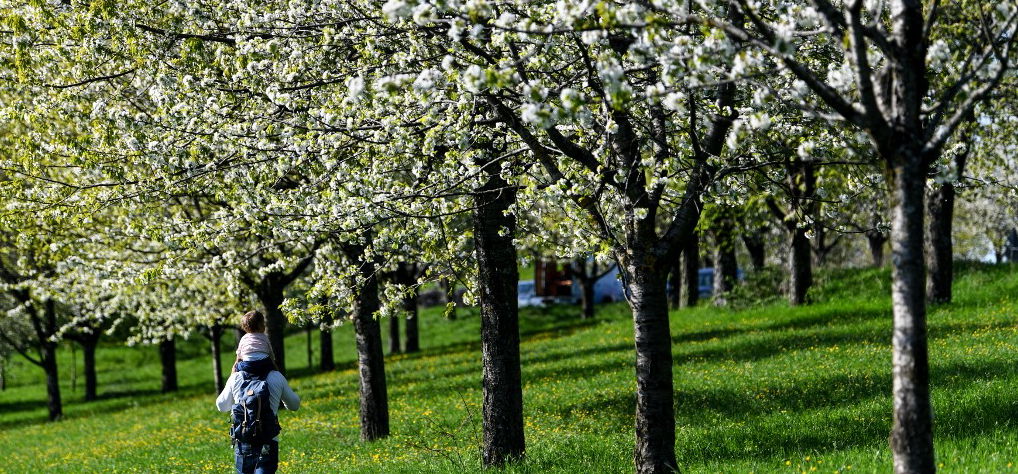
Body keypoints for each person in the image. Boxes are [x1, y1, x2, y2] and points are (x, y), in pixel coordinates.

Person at [217, 310, 300, 474]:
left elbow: (221, 406)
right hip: (268, 441)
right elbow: (294, 405)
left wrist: (233, 377)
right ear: (267, 351)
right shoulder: (276, 377)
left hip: (243, 441)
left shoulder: (236, 378)